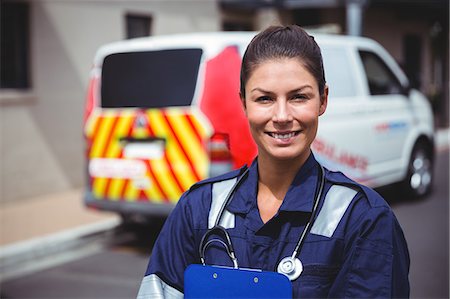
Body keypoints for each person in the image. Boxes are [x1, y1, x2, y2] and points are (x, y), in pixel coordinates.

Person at [137, 25, 410, 298]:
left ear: (323, 100)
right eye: (264, 98)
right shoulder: (197, 209)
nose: (281, 115)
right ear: (243, 103)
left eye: (299, 97)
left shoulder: (365, 220)